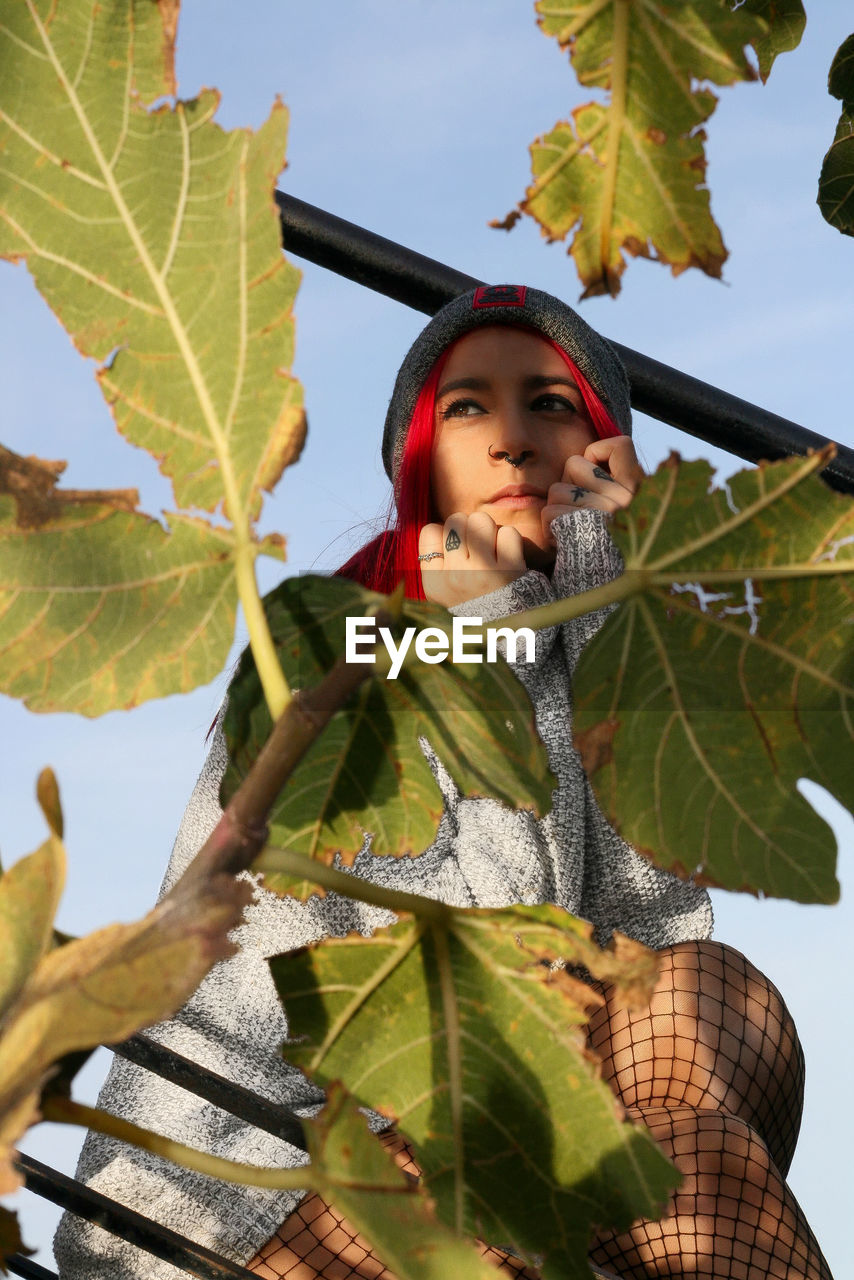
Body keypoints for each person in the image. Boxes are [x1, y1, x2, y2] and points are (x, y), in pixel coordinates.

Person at [54, 286, 833, 1280]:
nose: (511, 438)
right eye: (467, 406)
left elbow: (655, 929)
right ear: (418, 454)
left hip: (472, 1144)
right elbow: (499, 975)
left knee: (706, 993)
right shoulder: (345, 652)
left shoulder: (554, 627)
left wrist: (607, 585)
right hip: (228, 1190)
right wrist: (493, 629)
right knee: (672, 1148)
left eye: (549, 403)